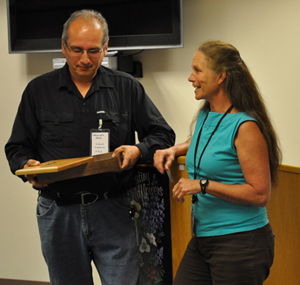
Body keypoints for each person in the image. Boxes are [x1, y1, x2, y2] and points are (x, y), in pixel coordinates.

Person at [5, 9, 175, 285]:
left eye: (94, 51)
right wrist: (27, 166)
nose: (84, 59)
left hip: (114, 208)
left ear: (106, 48)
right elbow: (17, 147)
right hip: (58, 211)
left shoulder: (126, 87)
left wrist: (138, 150)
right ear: (63, 47)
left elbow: (162, 134)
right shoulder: (38, 91)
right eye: (76, 50)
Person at [154, 40, 281, 285]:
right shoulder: (207, 114)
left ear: (221, 76)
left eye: (198, 70)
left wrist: (202, 184)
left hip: (241, 241)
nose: (191, 78)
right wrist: (174, 149)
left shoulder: (245, 127)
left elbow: (260, 194)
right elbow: (205, 139)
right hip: (204, 238)